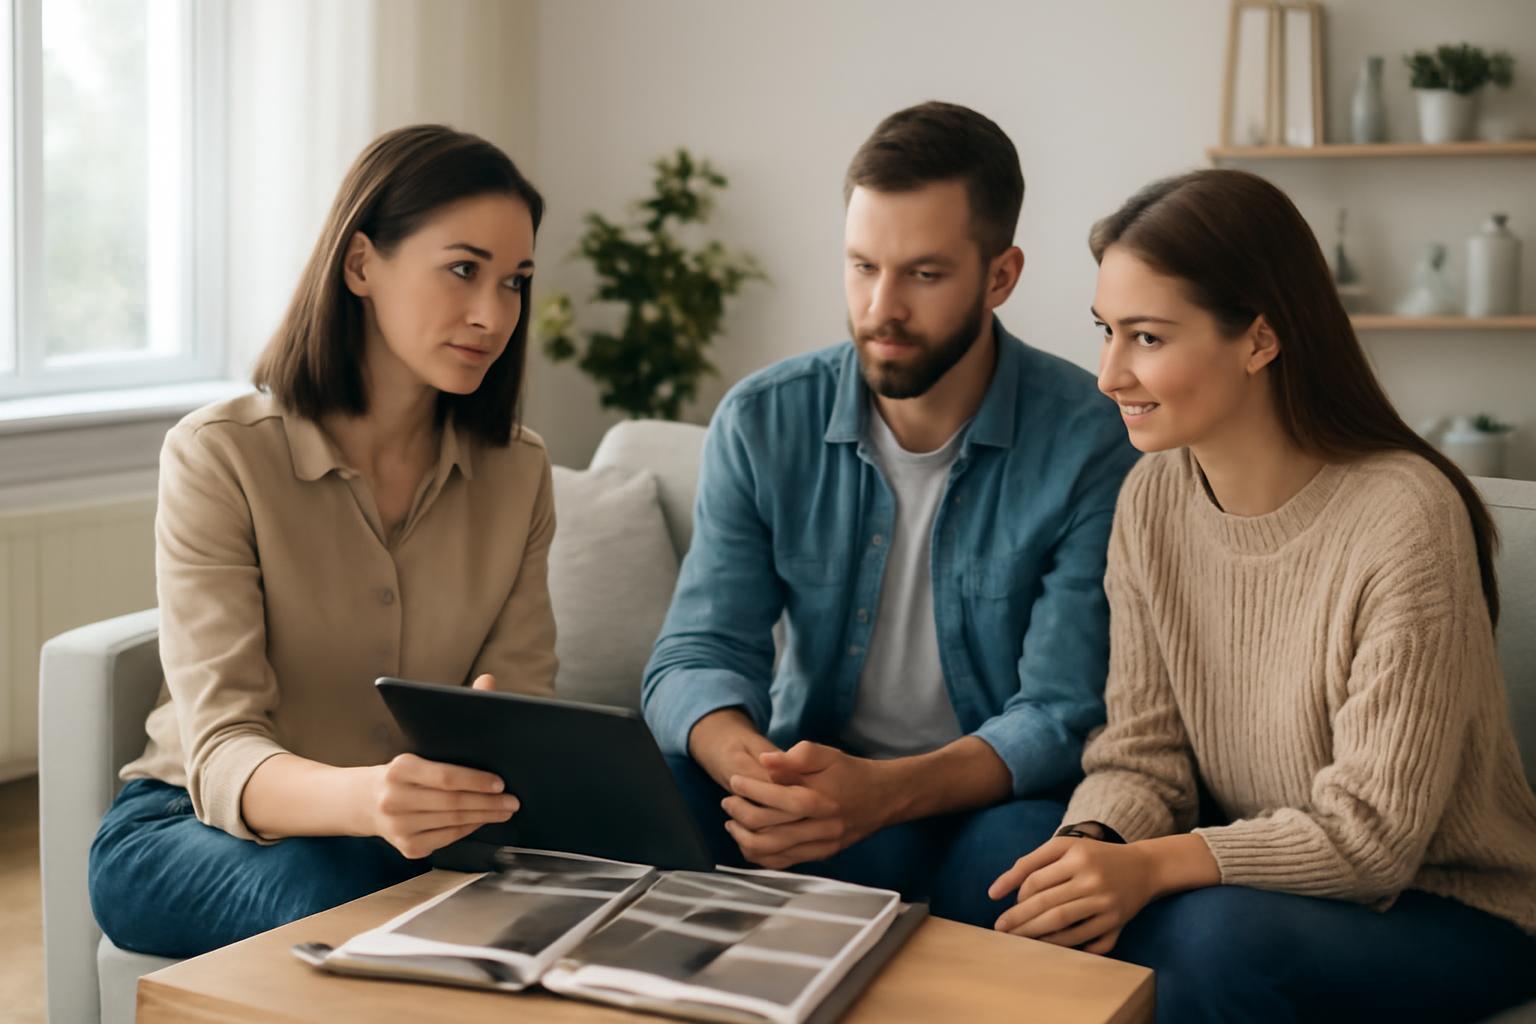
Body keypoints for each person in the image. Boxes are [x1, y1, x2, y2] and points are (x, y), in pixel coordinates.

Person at [989, 168, 1536, 1022]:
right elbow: (1141, 755)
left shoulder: (1405, 515)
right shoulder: (1151, 499)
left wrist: (1153, 867)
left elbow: (1374, 841)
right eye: (1105, 331)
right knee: (1004, 860)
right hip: (1254, 876)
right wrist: (1090, 847)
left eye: (1147, 338)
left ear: (1259, 340)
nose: (1109, 375)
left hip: (1452, 905)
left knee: (1210, 940)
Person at [642, 101, 1138, 928]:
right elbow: (697, 651)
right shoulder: (764, 421)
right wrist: (753, 768)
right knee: (663, 789)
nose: (882, 308)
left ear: (1001, 275)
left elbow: (1060, 712)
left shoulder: (1091, 441)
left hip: (990, 795)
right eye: (863, 266)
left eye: (924, 274)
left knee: (1017, 864)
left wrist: (881, 795)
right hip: (818, 769)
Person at [89, 125, 557, 958]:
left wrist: (499, 758)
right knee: (342, 895)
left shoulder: (518, 471)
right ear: (361, 264)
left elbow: (521, 707)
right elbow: (223, 750)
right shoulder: (221, 455)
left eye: (515, 282)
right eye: (463, 270)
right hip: (189, 828)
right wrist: (371, 802)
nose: (494, 314)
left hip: (399, 841)